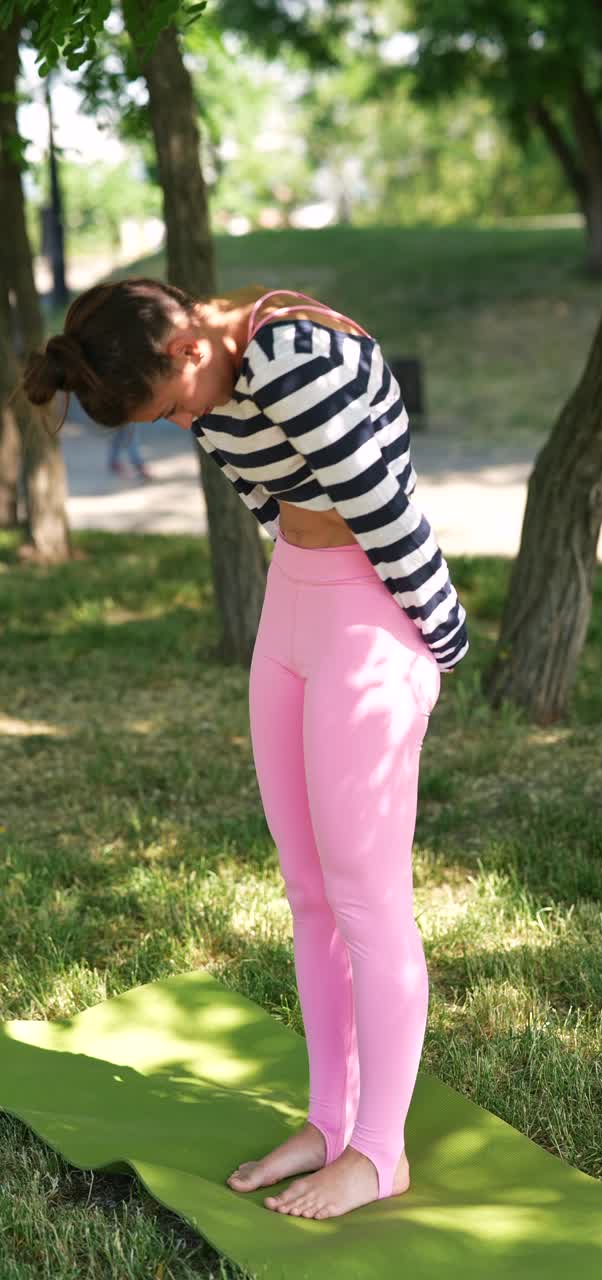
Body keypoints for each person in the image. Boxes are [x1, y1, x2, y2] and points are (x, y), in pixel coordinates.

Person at [22, 276, 470, 1219]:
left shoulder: (290, 361)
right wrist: (301, 595)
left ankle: (379, 1152)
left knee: (366, 900)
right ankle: (328, 1120)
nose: (182, 427)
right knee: (308, 894)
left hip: (371, 619)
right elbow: (270, 501)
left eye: (174, 407)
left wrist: (436, 643)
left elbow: (389, 516)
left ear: (191, 346)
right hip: (294, 610)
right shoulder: (211, 384)